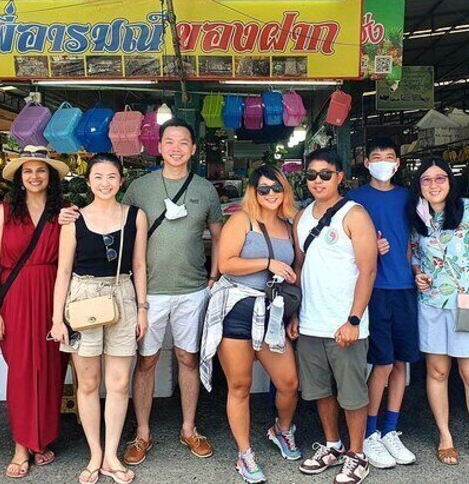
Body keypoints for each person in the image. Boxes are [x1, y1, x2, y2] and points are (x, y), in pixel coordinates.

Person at [122, 118, 223, 465]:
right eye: (170, 141)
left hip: (192, 289)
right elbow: (119, 228)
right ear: (159, 146)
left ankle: (189, 428)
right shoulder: (139, 188)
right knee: (146, 361)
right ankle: (143, 433)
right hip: (148, 292)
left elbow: (218, 235)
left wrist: (214, 275)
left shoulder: (206, 189)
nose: (176, 147)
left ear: (193, 149)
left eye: (183, 142)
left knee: (187, 358)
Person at [49, 153, 149, 484]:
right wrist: (56, 318)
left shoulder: (136, 216)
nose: (105, 183)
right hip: (82, 298)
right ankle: (94, 453)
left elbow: (139, 267)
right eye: (98, 177)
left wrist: (143, 308)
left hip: (122, 296)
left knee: (119, 384)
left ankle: (111, 455)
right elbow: (63, 270)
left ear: (121, 181)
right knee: (88, 383)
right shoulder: (73, 220)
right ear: (88, 182)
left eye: (111, 177)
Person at [200, 165, 301, 483]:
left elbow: (297, 273)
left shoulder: (290, 225)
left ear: (285, 190)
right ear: (253, 192)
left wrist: (295, 314)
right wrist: (268, 262)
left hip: (273, 312)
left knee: (288, 383)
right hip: (238, 309)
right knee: (240, 386)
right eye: (264, 189)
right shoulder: (241, 220)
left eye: (277, 188)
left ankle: (281, 430)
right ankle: (245, 454)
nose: (271, 194)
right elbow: (226, 262)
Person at [0, 146, 71, 478]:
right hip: (16, 298)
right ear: (19, 178)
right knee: (21, 372)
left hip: (54, 296)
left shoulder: (63, 211)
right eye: (28, 171)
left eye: (41, 170)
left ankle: (42, 438)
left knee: (50, 368)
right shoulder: (4, 212)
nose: (35, 176)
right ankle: (22, 444)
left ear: (51, 177)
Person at [293, 148, 377, 484]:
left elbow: (368, 270)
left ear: (340, 176)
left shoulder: (355, 214)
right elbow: (301, 268)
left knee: (352, 393)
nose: (317, 181)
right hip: (311, 321)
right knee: (320, 391)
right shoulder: (302, 217)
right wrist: (295, 313)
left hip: (346, 323)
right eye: (311, 175)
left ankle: (358, 454)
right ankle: (332, 444)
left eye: (325, 174)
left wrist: (354, 319)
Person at [409, 157, 469, 468]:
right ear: (418, 185)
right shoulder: (416, 214)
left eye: (440, 178)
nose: (433, 185)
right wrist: (417, 272)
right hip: (432, 303)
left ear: (450, 181)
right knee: (438, 372)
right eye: (426, 180)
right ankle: (445, 436)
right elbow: (415, 254)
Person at [345, 138, 418, 468]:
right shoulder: (355, 200)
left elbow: (417, 239)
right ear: (366, 162)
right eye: (377, 157)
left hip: (405, 287)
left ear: (398, 164)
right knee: (382, 362)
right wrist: (369, 245)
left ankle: (391, 429)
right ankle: (370, 432)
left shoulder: (408, 198)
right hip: (374, 288)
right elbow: (342, 242)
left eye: (390, 157)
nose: (383, 162)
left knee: (402, 361)